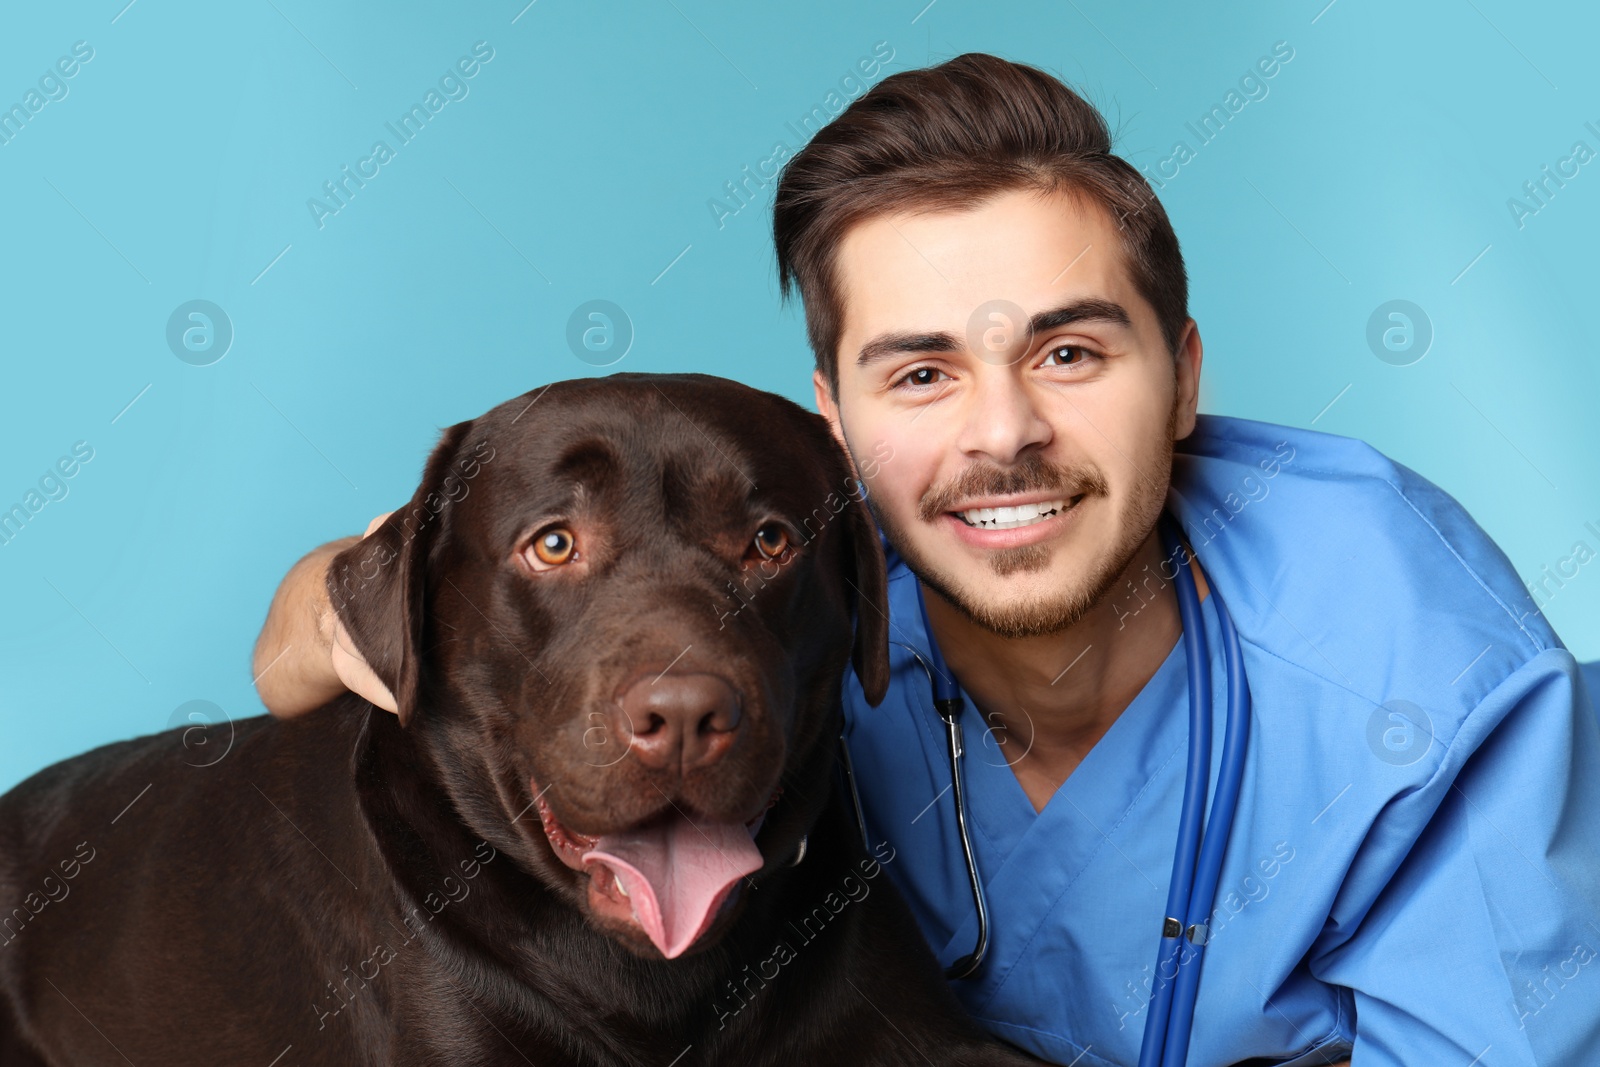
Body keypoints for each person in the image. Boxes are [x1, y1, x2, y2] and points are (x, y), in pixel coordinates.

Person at [254, 53, 1600, 1067]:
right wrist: (328, 606)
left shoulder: (1417, 667)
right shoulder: (784, 598)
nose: (1003, 433)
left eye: (1070, 353)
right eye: (922, 372)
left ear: (1182, 379)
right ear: (833, 425)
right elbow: (321, 628)